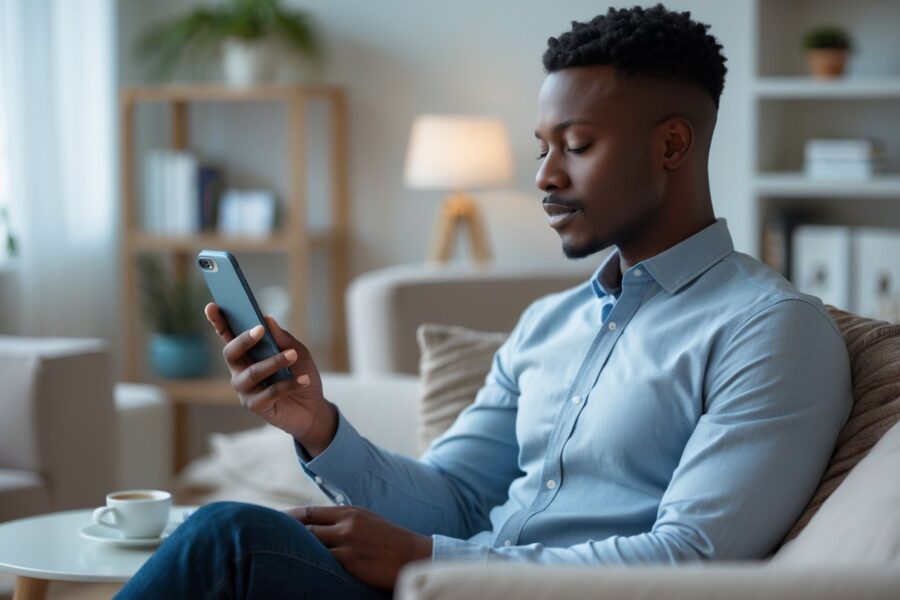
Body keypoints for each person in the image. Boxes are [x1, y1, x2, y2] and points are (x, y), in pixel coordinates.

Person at [116, 4, 851, 598]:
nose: (545, 176)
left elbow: (691, 558)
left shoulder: (770, 331)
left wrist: (428, 561)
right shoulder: (549, 324)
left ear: (672, 146)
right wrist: (318, 425)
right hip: (444, 585)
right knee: (235, 535)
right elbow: (457, 499)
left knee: (230, 540)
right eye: (542, 148)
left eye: (577, 145)